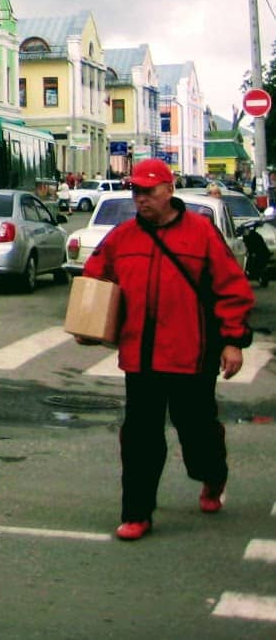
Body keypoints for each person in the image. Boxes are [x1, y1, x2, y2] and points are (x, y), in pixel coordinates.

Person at [79, 157, 254, 542]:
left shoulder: (201, 234)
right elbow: (94, 279)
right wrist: (88, 321)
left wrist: (233, 341)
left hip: (192, 355)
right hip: (140, 358)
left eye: (149, 191)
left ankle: (212, 474)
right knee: (141, 438)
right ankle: (137, 513)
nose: (141, 199)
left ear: (169, 190)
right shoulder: (123, 237)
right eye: (136, 191)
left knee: (197, 432)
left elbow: (232, 289)